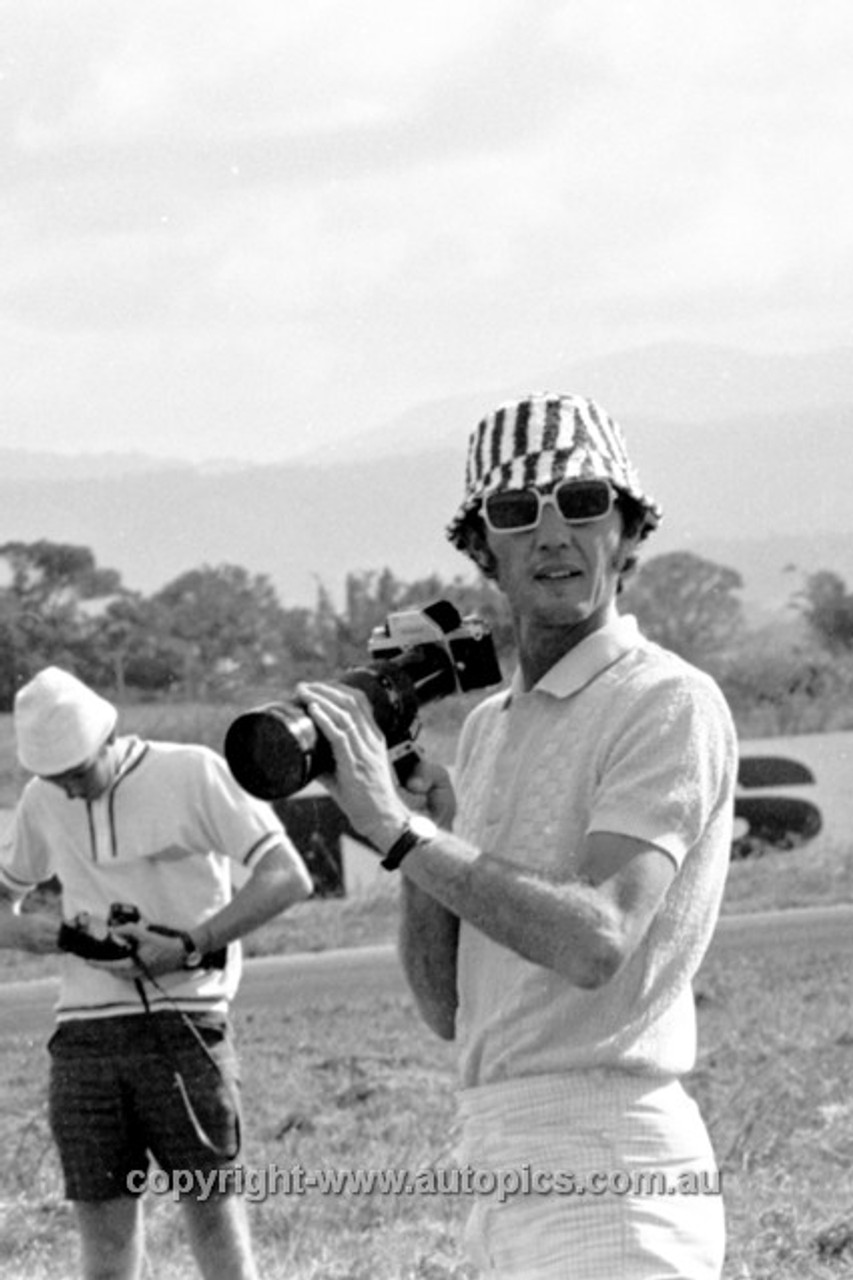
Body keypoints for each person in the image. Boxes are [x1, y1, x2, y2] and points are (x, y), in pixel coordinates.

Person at [299, 392, 737, 1280]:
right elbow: (446, 1011)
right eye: (515, 512)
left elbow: (596, 938)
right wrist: (427, 836)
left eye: (582, 503)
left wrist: (398, 832)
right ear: (481, 550)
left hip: (611, 1163)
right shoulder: (492, 727)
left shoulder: (664, 699)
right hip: (499, 1157)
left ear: (625, 531)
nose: (551, 535)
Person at [0, 666, 313, 1280]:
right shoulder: (44, 799)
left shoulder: (192, 772)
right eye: (56, 782)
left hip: (186, 1024)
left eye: (79, 775)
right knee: (105, 1236)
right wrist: (26, 932)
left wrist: (192, 944)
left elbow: (287, 877)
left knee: (214, 1218)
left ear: (107, 738)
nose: (71, 793)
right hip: (85, 1037)